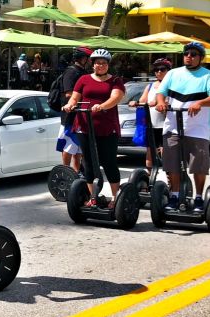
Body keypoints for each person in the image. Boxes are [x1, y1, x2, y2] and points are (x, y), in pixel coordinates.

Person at [155, 42, 210, 211]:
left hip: (198, 128)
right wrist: (161, 102)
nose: (189, 57)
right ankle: (174, 196)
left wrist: (200, 102)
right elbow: (161, 92)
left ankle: (199, 198)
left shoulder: (209, 76)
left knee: (198, 166)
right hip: (172, 126)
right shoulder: (173, 74)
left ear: (200, 58)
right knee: (172, 164)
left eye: (193, 54)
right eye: (187, 53)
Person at [63, 49, 125, 208]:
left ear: (108, 65)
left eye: (104, 63)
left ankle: (115, 197)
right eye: (98, 62)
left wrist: (102, 106)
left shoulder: (115, 81)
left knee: (109, 161)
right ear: (93, 64)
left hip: (107, 127)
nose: (101, 65)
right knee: (88, 162)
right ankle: (93, 197)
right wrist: (70, 105)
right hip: (84, 126)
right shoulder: (83, 79)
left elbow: (115, 97)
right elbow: (75, 97)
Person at [129, 58, 172, 172]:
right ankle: (149, 179)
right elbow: (142, 101)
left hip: (165, 124)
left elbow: (169, 102)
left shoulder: (171, 86)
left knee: (165, 152)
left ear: (168, 71)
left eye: (162, 69)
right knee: (150, 151)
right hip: (150, 124)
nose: (159, 72)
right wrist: (136, 103)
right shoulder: (150, 86)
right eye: (156, 70)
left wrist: (158, 103)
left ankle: (171, 180)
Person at [59, 47, 93, 171]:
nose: (91, 62)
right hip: (70, 116)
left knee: (78, 148)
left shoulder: (83, 72)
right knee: (68, 146)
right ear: (84, 58)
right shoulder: (71, 72)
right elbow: (69, 94)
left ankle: (76, 172)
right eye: (89, 59)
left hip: (81, 115)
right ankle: (65, 171)